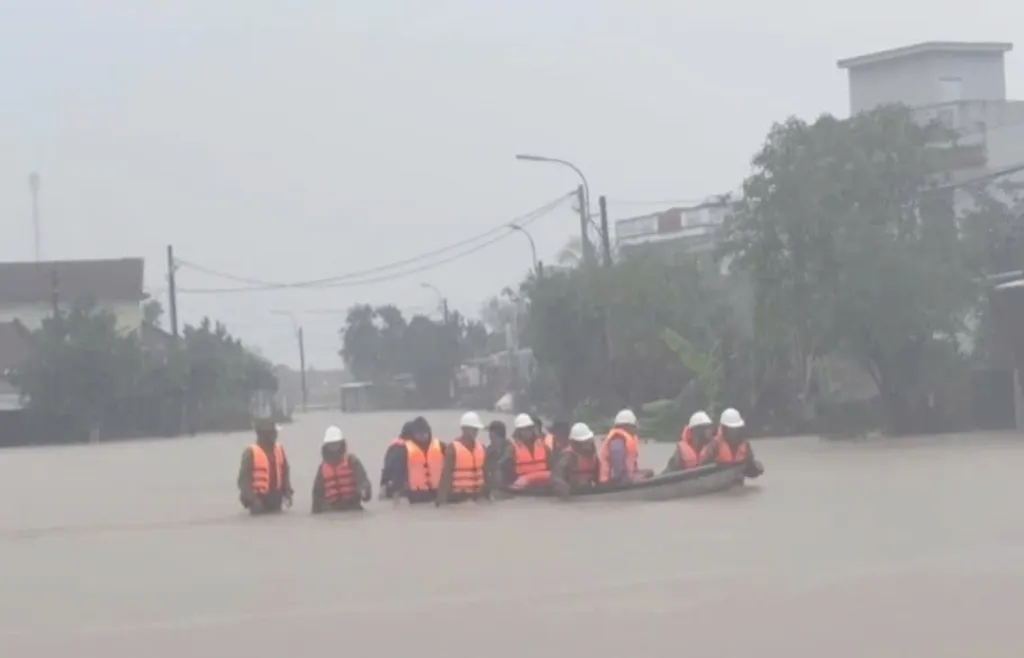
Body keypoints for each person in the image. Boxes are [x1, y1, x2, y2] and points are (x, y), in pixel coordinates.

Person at [380, 416, 446, 504]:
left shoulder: (441, 446)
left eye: (424, 432)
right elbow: (396, 471)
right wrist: (395, 490)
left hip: (435, 493)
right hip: (413, 494)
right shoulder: (403, 449)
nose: (422, 435)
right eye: (419, 433)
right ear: (413, 434)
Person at [237, 418, 294, 514]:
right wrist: (253, 500)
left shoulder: (279, 450)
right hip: (258, 500)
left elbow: (285, 472)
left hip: (275, 499)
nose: (276, 435)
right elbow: (243, 481)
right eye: (273, 432)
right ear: (264, 434)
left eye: (275, 432)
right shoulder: (250, 453)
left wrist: (287, 492)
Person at [311, 426, 372, 513]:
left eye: (336, 444)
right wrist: (315, 512)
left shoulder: (352, 461)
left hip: (353, 507)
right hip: (331, 510)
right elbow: (317, 494)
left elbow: (363, 480)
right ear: (326, 446)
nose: (334, 447)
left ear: (341, 444)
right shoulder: (322, 468)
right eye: (331, 445)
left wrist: (365, 491)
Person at [437, 414, 490, 506]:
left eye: (476, 429)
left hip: (477, 496)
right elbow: (446, 475)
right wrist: (441, 500)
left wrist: (488, 496)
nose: (476, 432)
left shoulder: (482, 448)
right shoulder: (453, 448)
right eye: (473, 429)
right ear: (464, 429)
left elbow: (485, 474)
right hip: (457, 497)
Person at [498, 412, 550, 488]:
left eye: (528, 428)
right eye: (523, 429)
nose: (526, 432)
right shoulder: (512, 448)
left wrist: (529, 478)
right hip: (523, 488)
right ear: (518, 431)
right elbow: (503, 469)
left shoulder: (543, 446)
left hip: (543, 487)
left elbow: (554, 469)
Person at [598, 408, 650, 484]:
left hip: (626, 476)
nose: (635, 428)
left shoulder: (627, 438)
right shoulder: (617, 439)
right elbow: (617, 462)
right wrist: (626, 479)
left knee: (649, 473)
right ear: (626, 426)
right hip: (613, 481)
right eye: (633, 426)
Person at [550, 422, 600, 498]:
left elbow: (598, 476)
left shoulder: (593, 456)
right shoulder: (568, 456)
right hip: (574, 493)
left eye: (588, 441)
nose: (587, 444)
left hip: (589, 492)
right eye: (583, 442)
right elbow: (557, 477)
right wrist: (564, 489)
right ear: (576, 443)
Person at [712, 407, 764, 478]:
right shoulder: (714, 444)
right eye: (731, 429)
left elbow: (748, 470)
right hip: (718, 482)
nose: (734, 431)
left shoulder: (745, 445)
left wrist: (755, 469)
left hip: (736, 483)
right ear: (724, 428)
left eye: (736, 428)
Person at [379, 420, 415, 500]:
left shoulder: (394, 447)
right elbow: (398, 469)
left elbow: (387, 469)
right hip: (400, 490)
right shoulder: (403, 449)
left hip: (389, 486)